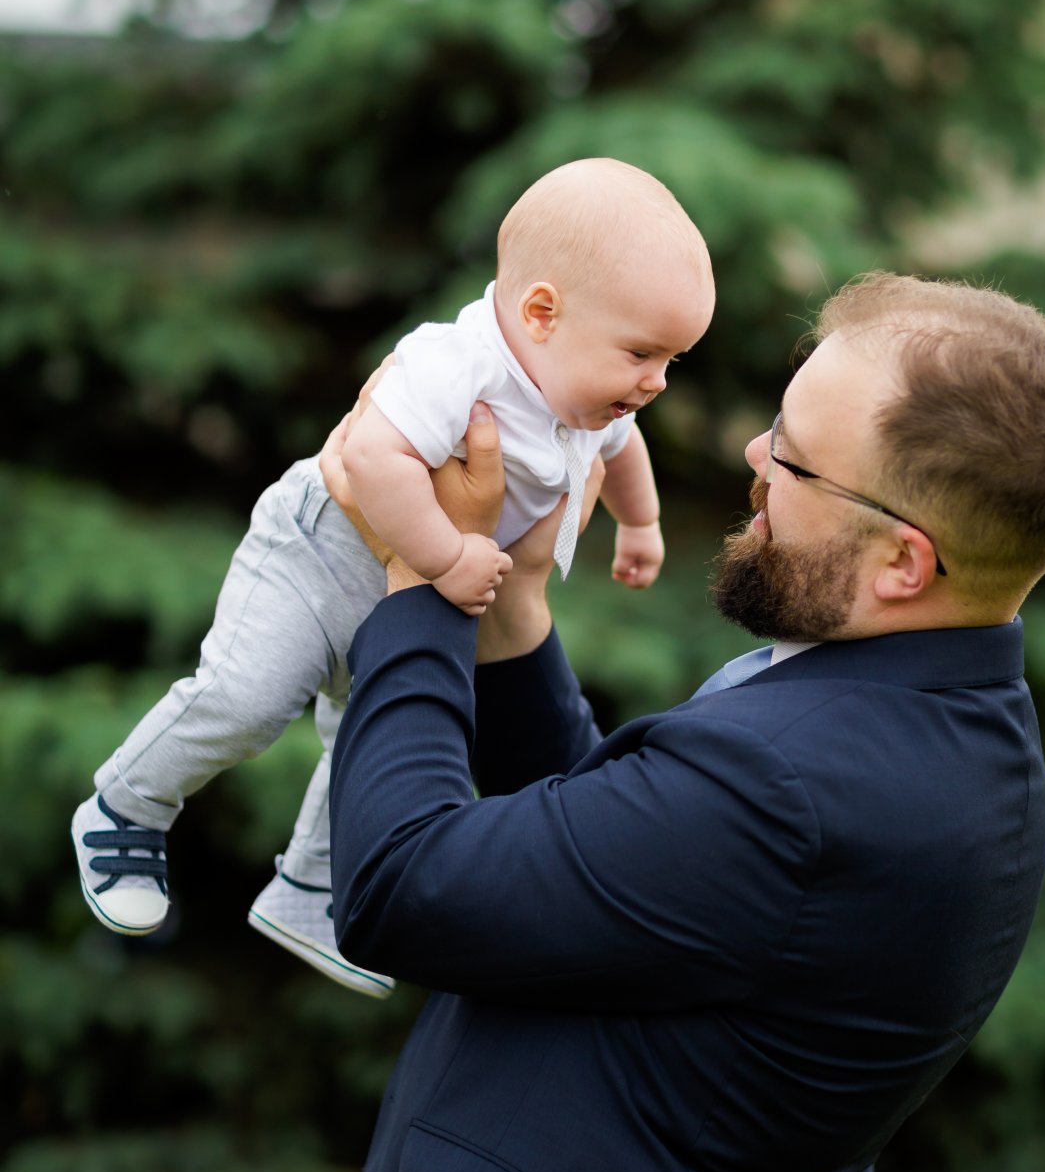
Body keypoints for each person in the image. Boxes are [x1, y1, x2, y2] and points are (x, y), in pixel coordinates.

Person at [317, 271, 1045, 1172]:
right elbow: (627, 871)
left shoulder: (802, 785)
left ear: (902, 562)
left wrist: (421, 580)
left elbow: (398, 885)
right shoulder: (938, 717)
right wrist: (514, 613)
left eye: (791, 459)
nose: (752, 461)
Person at [69, 158, 715, 998]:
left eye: (671, 360)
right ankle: (128, 804)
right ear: (542, 313)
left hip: (425, 595)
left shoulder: (586, 397)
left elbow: (623, 450)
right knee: (247, 699)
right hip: (320, 559)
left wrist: (640, 522)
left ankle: (308, 892)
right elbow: (372, 458)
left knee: (362, 745)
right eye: (642, 353)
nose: (655, 382)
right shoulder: (457, 364)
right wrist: (445, 559)